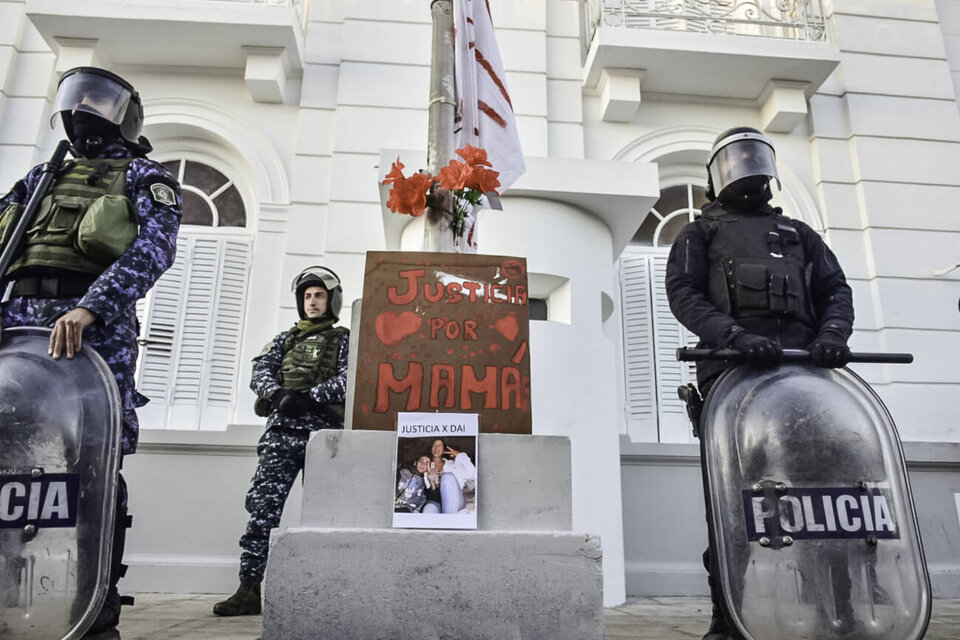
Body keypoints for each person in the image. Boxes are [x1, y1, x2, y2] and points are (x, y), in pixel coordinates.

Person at [0, 66, 181, 637]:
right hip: (15, 324)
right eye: (81, 98)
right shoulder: (42, 177)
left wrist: (92, 307)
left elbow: (154, 250)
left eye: (101, 101)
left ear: (124, 115)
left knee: (91, 464)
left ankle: (94, 600)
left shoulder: (145, 176)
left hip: (88, 331)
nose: (86, 109)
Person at [664, 127, 854, 640]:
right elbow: (682, 294)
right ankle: (728, 618)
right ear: (716, 174)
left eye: (753, 155)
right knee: (732, 507)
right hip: (733, 387)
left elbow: (835, 289)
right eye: (736, 158)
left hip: (807, 385)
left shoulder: (800, 235)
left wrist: (833, 335)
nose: (746, 166)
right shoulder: (697, 236)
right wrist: (731, 334)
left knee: (826, 501)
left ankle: (840, 610)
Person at [213, 265, 349, 617]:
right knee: (262, 512)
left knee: (327, 518)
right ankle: (248, 589)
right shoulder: (284, 340)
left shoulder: (345, 339)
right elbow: (259, 371)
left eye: (319, 295)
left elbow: (353, 376)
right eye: (307, 296)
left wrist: (312, 396)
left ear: (331, 300)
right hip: (281, 435)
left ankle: (327, 591)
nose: (313, 302)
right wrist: (278, 395)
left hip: (325, 437)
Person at [429, 438, 477, 514]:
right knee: (429, 508)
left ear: (444, 450)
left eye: (439, 445)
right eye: (434, 445)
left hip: (455, 501)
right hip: (436, 502)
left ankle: (449, 522)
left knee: (447, 477)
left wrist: (460, 455)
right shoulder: (425, 465)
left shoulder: (454, 465)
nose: (436, 447)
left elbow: (473, 474)